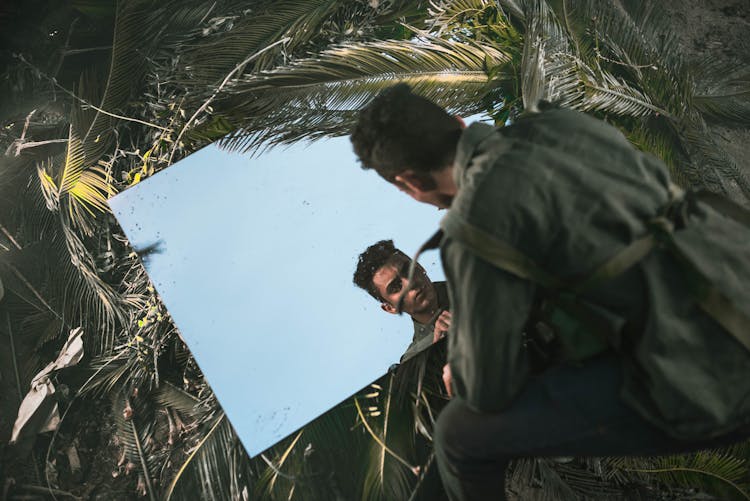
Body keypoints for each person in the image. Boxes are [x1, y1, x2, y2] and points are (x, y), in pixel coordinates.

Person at [350, 83, 750, 500]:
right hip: (734, 279)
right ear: (458, 122)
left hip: (712, 378)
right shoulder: (560, 123)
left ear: (410, 181)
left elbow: (490, 387)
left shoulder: (473, 230)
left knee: (459, 436)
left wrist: (462, 367)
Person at [353, 239, 451, 362]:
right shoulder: (414, 361)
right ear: (391, 308)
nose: (410, 283)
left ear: (419, 266)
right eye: (395, 287)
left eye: (408, 270)